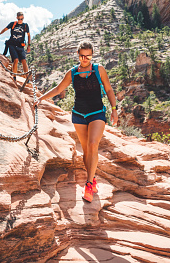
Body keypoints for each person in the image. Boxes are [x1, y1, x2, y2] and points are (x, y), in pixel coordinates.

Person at [35, 41, 118, 202]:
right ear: (78, 55)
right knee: (87, 150)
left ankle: (88, 184)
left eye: (88, 55)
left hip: (97, 113)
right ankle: (92, 179)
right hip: (79, 114)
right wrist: (40, 98)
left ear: (92, 55)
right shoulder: (72, 72)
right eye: (82, 55)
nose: (85, 58)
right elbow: (59, 89)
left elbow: (108, 89)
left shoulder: (98, 69)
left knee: (93, 144)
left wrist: (114, 109)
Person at [0, 12, 31, 79]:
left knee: (24, 61)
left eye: (22, 19)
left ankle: (27, 78)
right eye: (19, 19)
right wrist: (0, 33)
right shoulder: (13, 24)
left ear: (23, 18)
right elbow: (5, 29)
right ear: (17, 18)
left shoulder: (25, 25)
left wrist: (29, 46)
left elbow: (29, 35)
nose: (20, 20)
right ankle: (14, 76)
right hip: (12, 45)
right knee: (16, 60)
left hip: (21, 46)